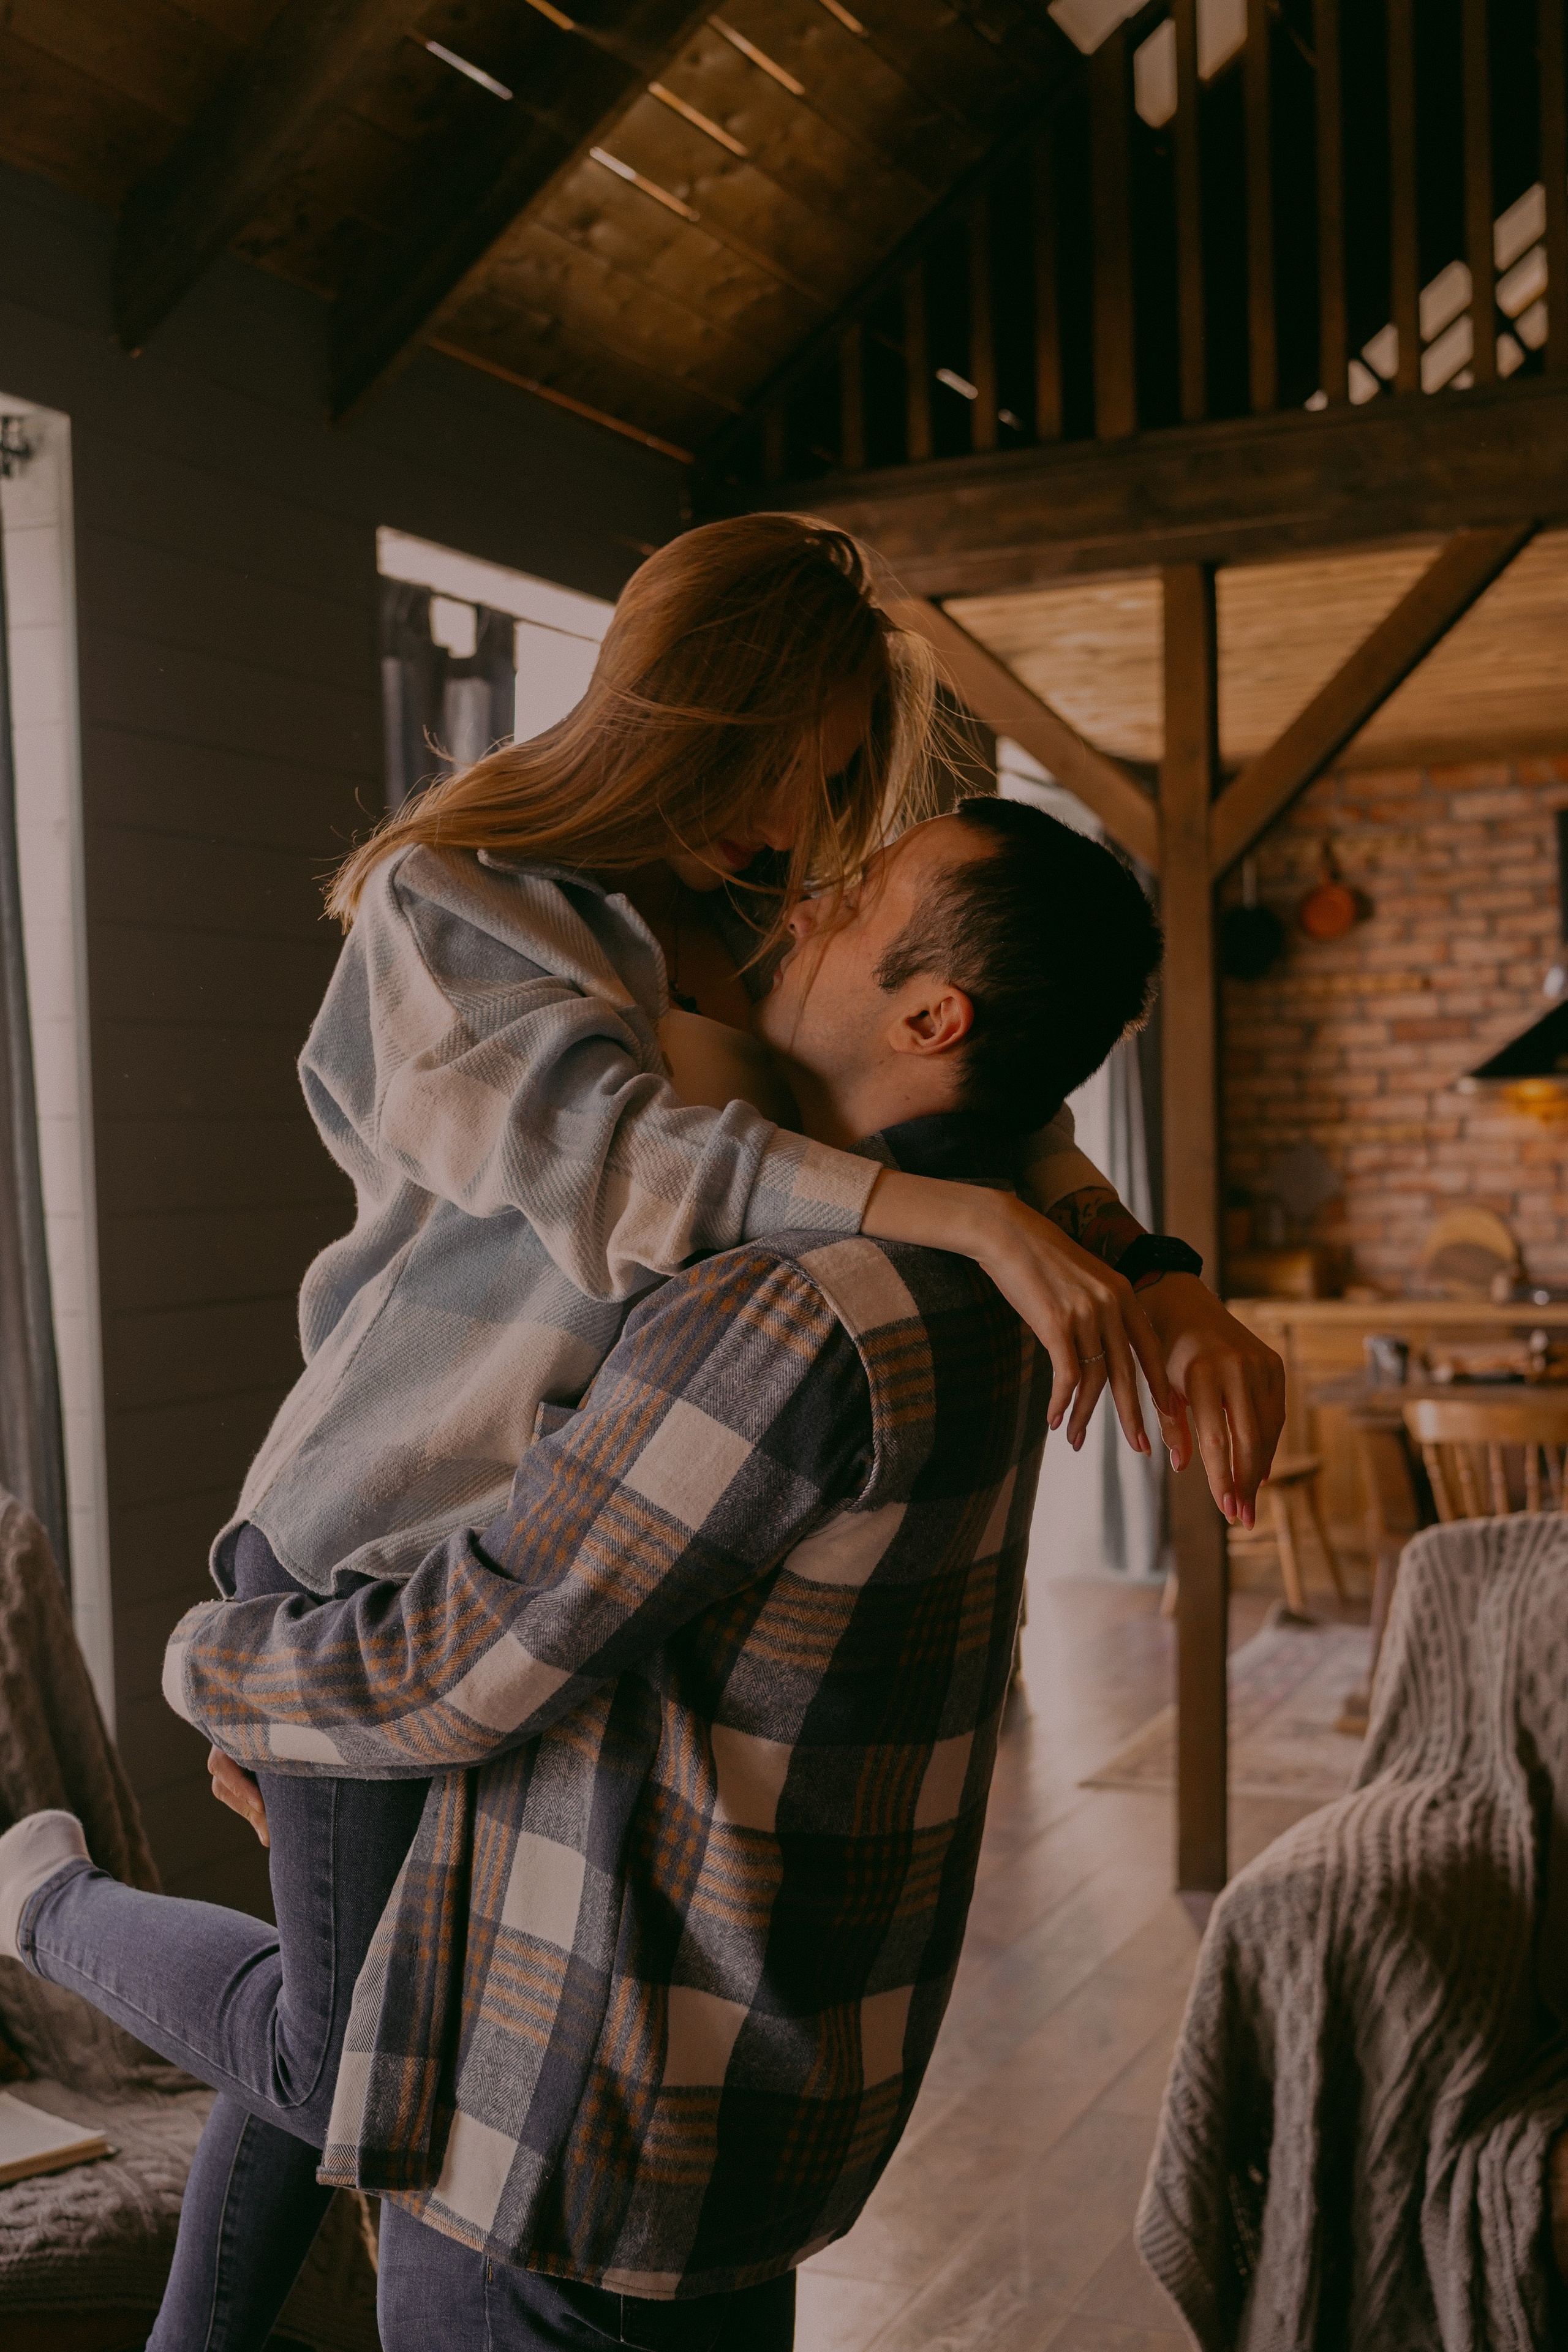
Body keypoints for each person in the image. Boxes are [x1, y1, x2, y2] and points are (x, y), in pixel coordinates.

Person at [1, 799, 1285, 2348]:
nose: (799, 905)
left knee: (316, 2043)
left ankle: (39, 1896)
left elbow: (463, 1660)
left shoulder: (803, 1311)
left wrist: (210, 1658)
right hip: (760, 2121)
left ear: (931, 1015)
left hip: (567, 2132)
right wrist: (1159, 1267)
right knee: (318, 2039)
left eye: (855, 896)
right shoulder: (1016, 1292)